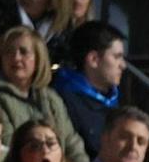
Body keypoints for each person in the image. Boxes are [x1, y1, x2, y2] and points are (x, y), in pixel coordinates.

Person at [0, 23, 89, 162]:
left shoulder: (51, 98)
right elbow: (9, 148)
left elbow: (72, 143)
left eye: (23, 52)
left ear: (38, 59)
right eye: (9, 52)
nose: (16, 58)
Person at [51, 19, 124, 150]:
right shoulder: (64, 102)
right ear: (93, 60)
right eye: (117, 57)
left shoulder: (114, 99)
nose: (123, 65)